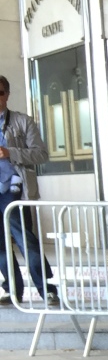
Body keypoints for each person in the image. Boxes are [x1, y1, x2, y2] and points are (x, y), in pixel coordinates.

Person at [0, 76, 56, 306]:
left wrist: (11, 152)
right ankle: (13, 291)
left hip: (13, 191)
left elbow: (41, 154)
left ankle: (47, 289)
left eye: (0, 92)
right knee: (1, 246)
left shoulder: (23, 122)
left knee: (25, 239)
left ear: (7, 94)